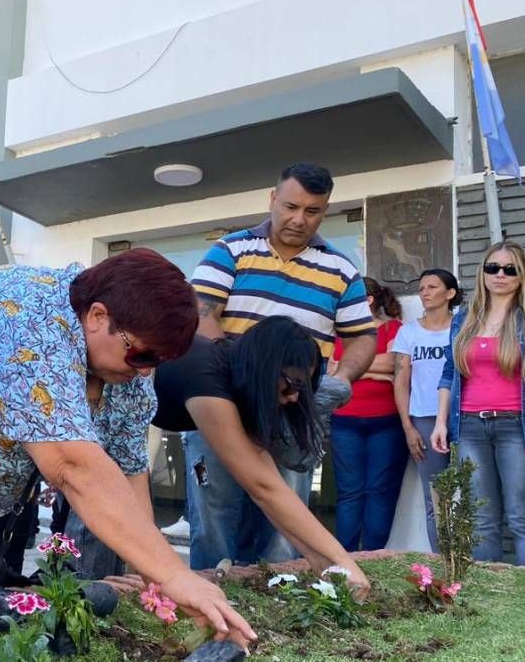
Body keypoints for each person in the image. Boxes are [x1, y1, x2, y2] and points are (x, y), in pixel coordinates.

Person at [0, 249, 256, 648]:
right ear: (98, 316)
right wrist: (173, 573)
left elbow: (130, 472)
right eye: (142, 354)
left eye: (158, 360)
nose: (146, 370)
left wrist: (154, 574)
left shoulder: (128, 373)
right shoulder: (29, 323)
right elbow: (73, 467)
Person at [63, 316, 370, 595]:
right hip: (93, 417)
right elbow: (264, 487)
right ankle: (82, 605)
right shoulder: (209, 382)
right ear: (265, 369)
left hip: (122, 436)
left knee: (128, 549)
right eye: (292, 384)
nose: (294, 398)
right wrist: (342, 560)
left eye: (303, 389)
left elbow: (272, 493)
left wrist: (329, 565)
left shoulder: (233, 380)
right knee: (99, 537)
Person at [187, 163, 377, 563]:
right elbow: (201, 314)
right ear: (273, 199)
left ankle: (278, 598)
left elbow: (362, 336)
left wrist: (340, 380)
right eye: (291, 206)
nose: (298, 219)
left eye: (312, 211)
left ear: (324, 210)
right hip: (225, 401)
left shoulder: (342, 269)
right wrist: (239, 373)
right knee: (213, 511)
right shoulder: (231, 250)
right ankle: (209, 601)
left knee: (285, 517)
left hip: (294, 407)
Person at [432, 241, 525, 568]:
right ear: (482, 273)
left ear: (522, 275)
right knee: (481, 515)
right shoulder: (463, 320)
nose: (500, 274)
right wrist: (441, 422)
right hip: (469, 426)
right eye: (493, 267)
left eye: (510, 269)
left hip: (517, 427)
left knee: (523, 516)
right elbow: (449, 373)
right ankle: (490, 593)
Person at [328, 278, 408, 552]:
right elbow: (330, 371)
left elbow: (394, 365)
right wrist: (378, 371)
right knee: (350, 491)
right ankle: (346, 558)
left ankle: (374, 557)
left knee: (380, 491)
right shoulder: (337, 334)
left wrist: (350, 369)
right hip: (344, 421)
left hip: (386, 421)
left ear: (369, 300)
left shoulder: (394, 328)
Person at [391, 268, 462, 551]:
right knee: (435, 498)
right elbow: (400, 382)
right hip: (424, 419)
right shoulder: (408, 332)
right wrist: (408, 427)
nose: (425, 293)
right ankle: (443, 563)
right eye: (421, 288)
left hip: (463, 417)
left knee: (473, 493)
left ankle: (473, 562)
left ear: (450, 293)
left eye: (432, 287)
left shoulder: (462, 329)